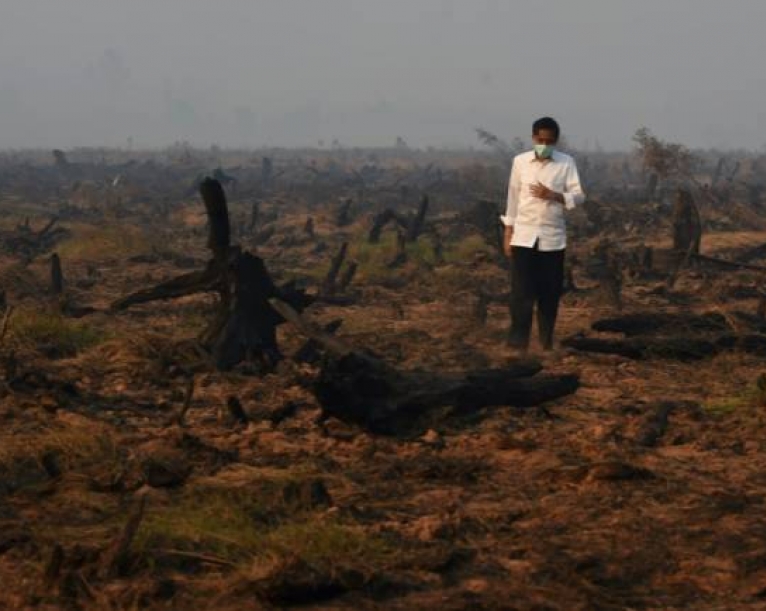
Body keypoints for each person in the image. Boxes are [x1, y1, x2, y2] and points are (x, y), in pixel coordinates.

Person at [501, 117, 585, 352]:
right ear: (533, 138)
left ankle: (546, 343)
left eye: (549, 141)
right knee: (521, 293)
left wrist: (554, 195)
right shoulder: (520, 163)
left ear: (555, 141)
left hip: (552, 239)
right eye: (540, 140)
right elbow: (513, 199)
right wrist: (508, 232)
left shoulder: (566, 163)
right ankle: (517, 344)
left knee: (549, 294)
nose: (544, 144)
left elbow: (579, 196)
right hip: (523, 237)